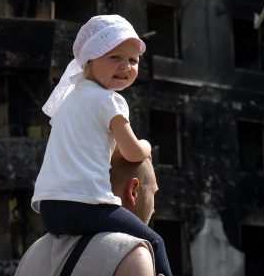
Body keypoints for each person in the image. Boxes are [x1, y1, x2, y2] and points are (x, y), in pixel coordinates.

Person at [31, 15, 172, 276]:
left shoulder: (68, 102)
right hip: (84, 205)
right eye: (115, 57)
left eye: (133, 60)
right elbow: (131, 151)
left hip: (50, 210)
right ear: (90, 60)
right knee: (155, 241)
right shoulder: (110, 101)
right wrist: (147, 145)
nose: (126, 66)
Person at [15, 152, 162, 276]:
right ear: (133, 191)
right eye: (153, 192)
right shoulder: (133, 254)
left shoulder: (31, 254)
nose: (154, 209)